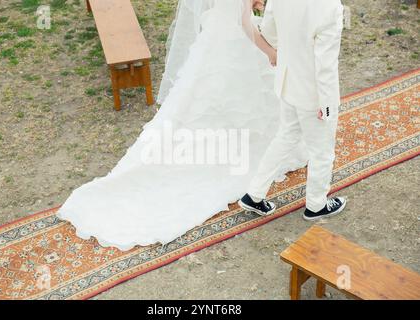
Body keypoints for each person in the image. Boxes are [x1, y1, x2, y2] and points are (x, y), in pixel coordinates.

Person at [57, 0, 307, 251]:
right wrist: (269, 51)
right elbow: (244, 23)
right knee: (237, 102)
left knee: (211, 104)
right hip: (235, 41)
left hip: (214, 37)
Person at [239, 0, 347, 221]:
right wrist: (326, 103)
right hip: (312, 94)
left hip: (287, 82)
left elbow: (269, 30)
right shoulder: (331, 7)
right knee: (322, 151)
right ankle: (316, 205)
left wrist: (290, 49)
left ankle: (254, 194)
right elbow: (325, 63)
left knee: (285, 136)